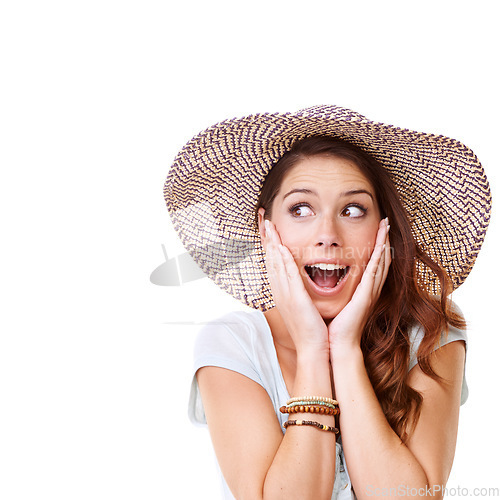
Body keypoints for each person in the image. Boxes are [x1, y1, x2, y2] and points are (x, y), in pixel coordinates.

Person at [164, 105, 492, 499]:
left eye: (353, 210)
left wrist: (344, 347)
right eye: (300, 209)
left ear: (383, 231)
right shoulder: (233, 343)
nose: (327, 234)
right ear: (266, 230)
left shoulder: (431, 329)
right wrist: (312, 349)